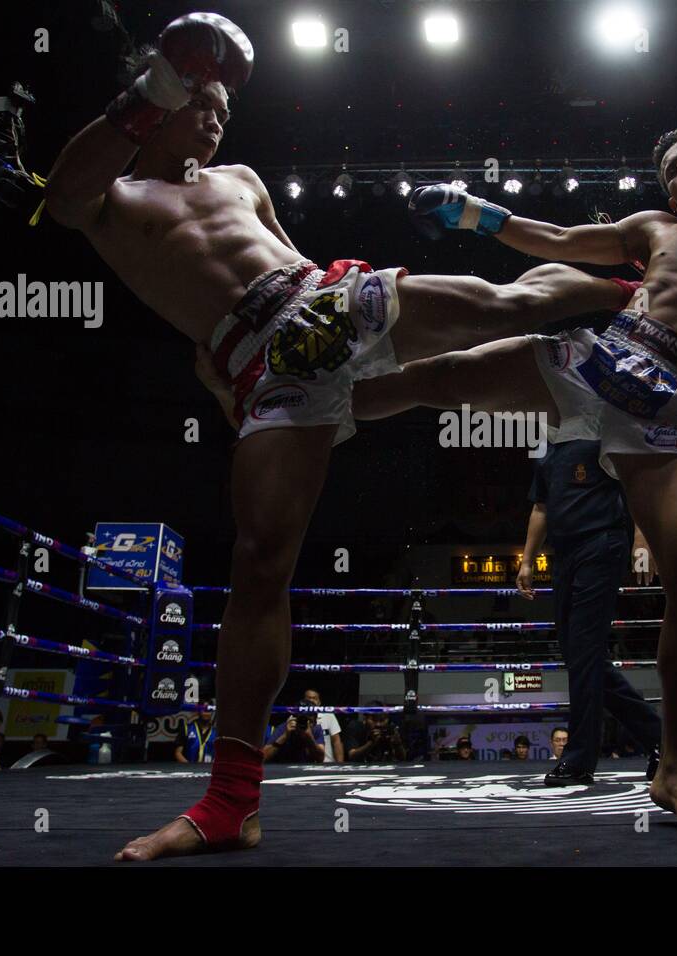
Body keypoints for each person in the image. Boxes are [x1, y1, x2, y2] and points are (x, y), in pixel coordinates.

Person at [43, 13, 634, 861]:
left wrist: (341, 327)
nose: (215, 118)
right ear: (159, 94)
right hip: (259, 368)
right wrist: (157, 88)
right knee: (259, 564)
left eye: (224, 107)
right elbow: (63, 194)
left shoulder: (241, 178)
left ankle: (635, 295)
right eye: (200, 100)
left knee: (503, 308)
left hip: (319, 304)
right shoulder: (114, 199)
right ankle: (231, 803)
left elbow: (293, 259)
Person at [354, 89, 677, 832]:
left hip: (671, 406)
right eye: (673, 168)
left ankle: (675, 771)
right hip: (599, 361)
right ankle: (319, 405)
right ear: (670, 192)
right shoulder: (654, 229)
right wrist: (471, 210)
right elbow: (555, 238)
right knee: (443, 378)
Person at [518, 439, 663, 786]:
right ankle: (660, 737)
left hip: (602, 544)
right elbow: (541, 508)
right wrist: (527, 561)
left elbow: (637, 485)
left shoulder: (602, 433)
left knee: (584, 653)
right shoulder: (547, 449)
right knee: (580, 656)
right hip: (565, 555)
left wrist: (641, 539)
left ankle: (580, 759)